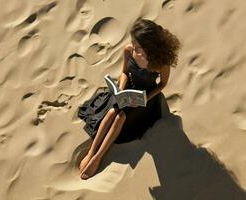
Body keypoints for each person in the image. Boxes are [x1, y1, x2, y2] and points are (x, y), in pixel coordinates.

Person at [77, 18, 181, 180]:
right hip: (127, 90)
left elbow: (162, 84)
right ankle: (91, 152)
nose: (134, 47)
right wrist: (121, 88)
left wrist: (146, 97)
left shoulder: (161, 62)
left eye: (138, 45)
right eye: (133, 42)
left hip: (146, 99)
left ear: (150, 46)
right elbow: (125, 72)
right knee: (111, 112)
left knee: (120, 116)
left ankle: (98, 158)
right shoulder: (128, 50)